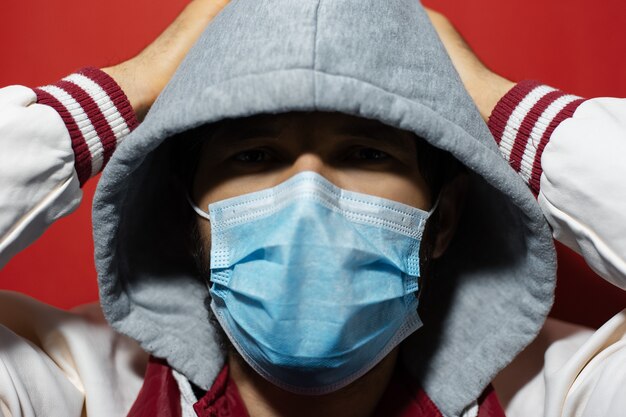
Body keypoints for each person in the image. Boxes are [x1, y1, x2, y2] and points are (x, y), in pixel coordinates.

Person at [0, 2, 624, 417]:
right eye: (253, 155)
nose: (307, 197)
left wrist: (485, 97)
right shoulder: (74, 387)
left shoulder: (560, 393)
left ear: (446, 219)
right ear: (187, 211)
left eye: (365, 152)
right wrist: (136, 84)